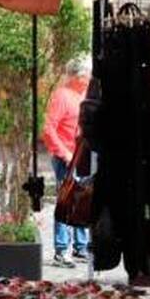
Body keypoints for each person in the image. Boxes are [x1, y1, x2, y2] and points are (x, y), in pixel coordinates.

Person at [42, 55, 92, 268]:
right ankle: (61, 250)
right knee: (66, 201)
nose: (89, 78)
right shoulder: (62, 96)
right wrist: (64, 153)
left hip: (81, 157)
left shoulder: (83, 94)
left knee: (81, 199)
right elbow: (48, 129)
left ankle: (80, 247)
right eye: (86, 75)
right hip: (67, 158)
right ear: (78, 76)